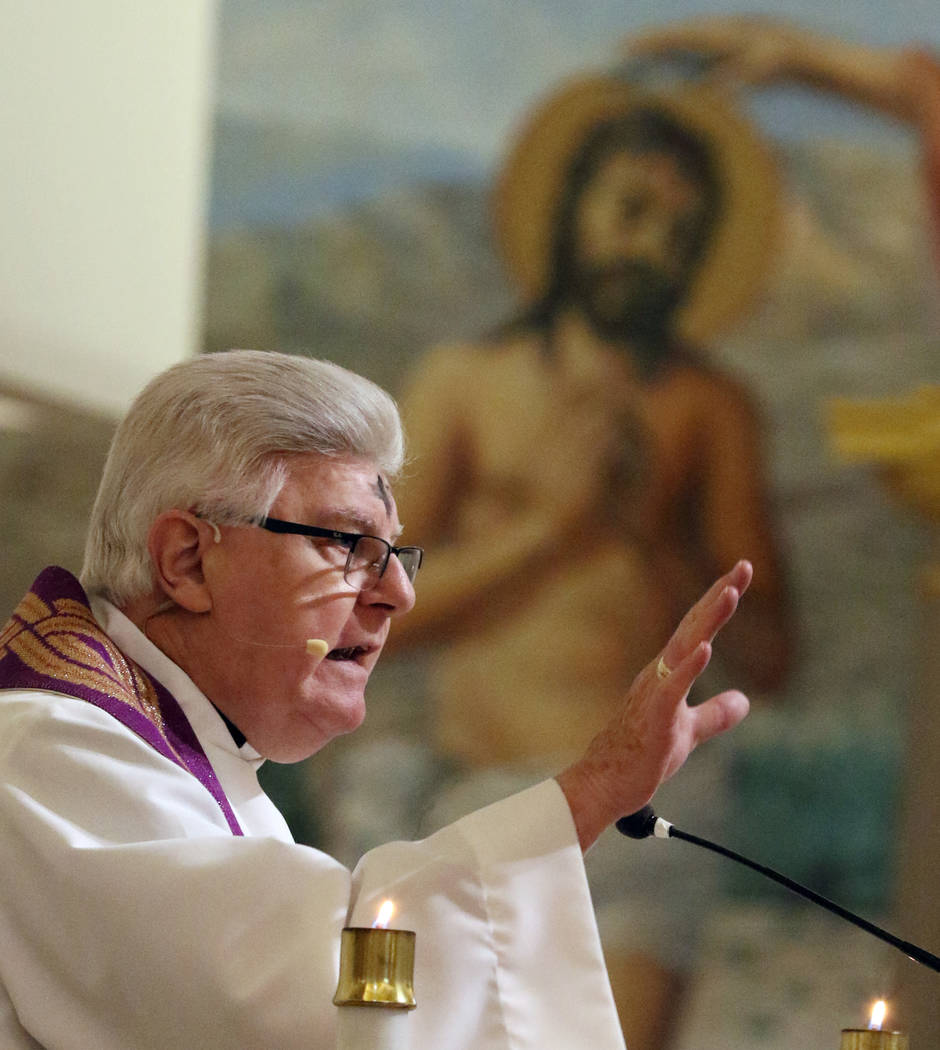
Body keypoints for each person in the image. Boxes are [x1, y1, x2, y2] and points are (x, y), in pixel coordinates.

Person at [0, 348, 751, 1050]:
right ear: (188, 561)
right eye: (345, 545)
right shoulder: (49, 750)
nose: (399, 593)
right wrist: (593, 790)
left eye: (396, 553)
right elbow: (317, 999)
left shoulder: (192, 758)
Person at [380, 75, 794, 1050]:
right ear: (571, 211)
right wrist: (548, 528)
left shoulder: (707, 409)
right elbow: (377, 614)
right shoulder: (464, 386)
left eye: (678, 235)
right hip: (483, 796)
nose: (649, 248)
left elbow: (774, 653)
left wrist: (648, 525)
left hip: (653, 813)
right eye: (631, 212)